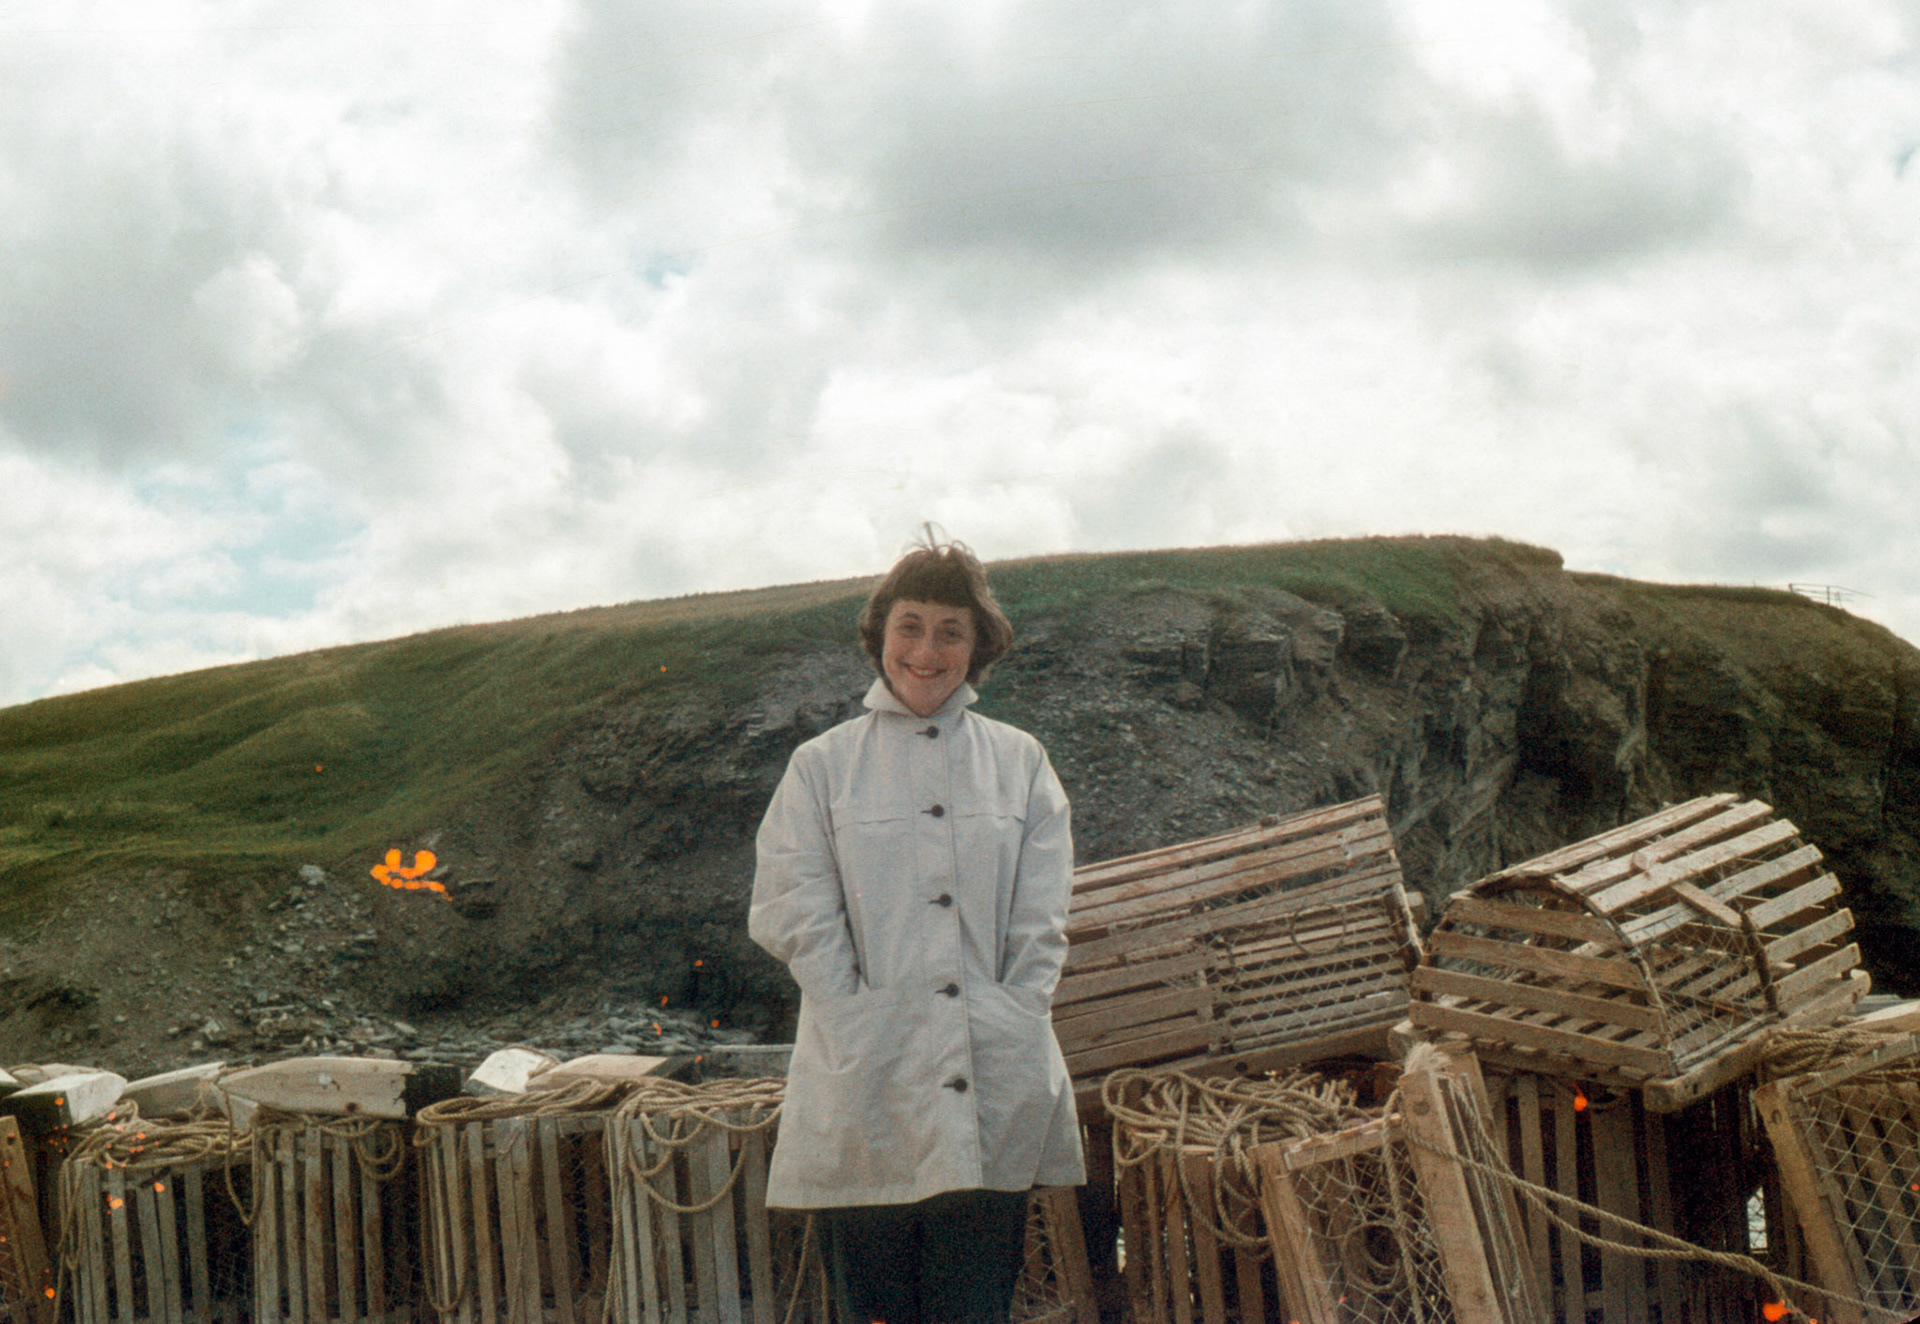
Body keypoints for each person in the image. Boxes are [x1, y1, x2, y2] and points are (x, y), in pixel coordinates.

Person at [749, 533, 1085, 1324]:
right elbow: (789, 905)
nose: (925, 651)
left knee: (974, 1310)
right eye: (910, 626)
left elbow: (1044, 916)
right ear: (880, 635)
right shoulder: (821, 767)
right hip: (866, 1083)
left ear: (978, 646)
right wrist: (854, 1010)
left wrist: (1014, 1007)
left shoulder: (1021, 762)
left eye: (949, 630)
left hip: (989, 1078)